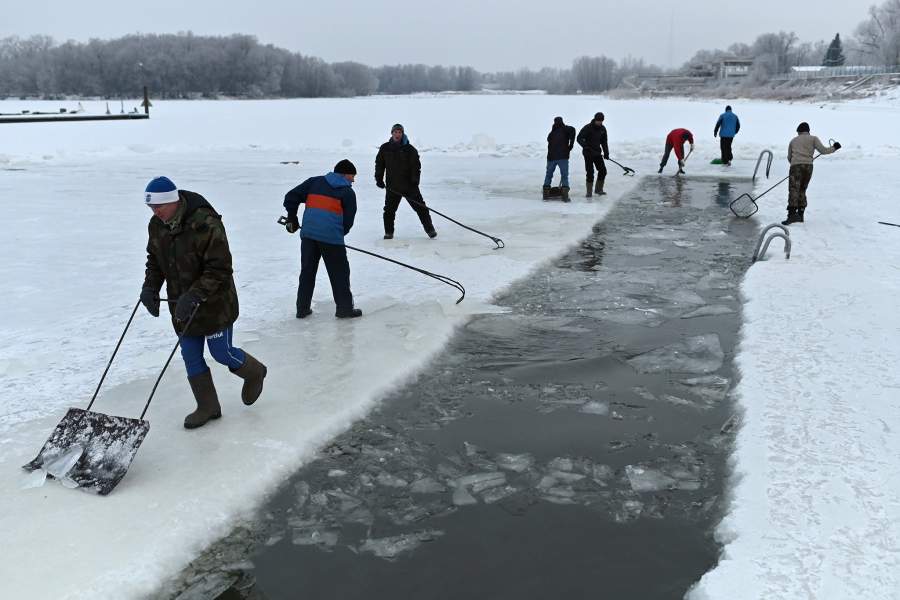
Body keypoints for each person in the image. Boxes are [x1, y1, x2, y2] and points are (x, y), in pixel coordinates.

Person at [140, 176, 267, 430]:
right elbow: (155, 260)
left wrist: (195, 295)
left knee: (221, 352)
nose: (155, 212)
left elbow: (220, 269)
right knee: (190, 355)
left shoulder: (205, 223)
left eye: (159, 207)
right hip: (182, 303)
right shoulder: (157, 225)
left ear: (173, 201)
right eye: (151, 208)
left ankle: (254, 372)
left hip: (214, 303)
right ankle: (208, 406)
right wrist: (150, 287)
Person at [283, 159, 362, 319]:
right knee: (339, 273)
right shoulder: (348, 193)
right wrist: (337, 234)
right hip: (331, 239)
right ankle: (344, 309)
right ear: (343, 174)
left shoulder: (315, 182)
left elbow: (291, 196)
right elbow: (348, 221)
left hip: (308, 235)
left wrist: (292, 217)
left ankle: (302, 309)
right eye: (352, 176)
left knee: (307, 271)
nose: (353, 180)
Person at [375, 124, 436, 240]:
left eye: (399, 132)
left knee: (421, 208)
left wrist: (415, 180)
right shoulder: (385, 148)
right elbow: (379, 164)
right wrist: (379, 178)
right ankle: (389, 233)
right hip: (392, 186)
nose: (397, 134)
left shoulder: (410, 149)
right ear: (391, 133)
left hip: (409, 186)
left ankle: (430, 230)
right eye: (395, 132)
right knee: (389, 211)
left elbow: (416, 166)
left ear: (402, 134)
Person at [782, 122, 840, 225]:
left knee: (794, 189)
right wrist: (834, 147)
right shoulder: (813, 139)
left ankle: (791, 216)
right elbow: (824, 151)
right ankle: (800, 214)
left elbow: (789, 157)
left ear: (798, 131)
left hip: (795, 167)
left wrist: (795, 164)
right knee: (802, 189)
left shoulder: (793, 141)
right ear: (808, 131)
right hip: (809, 166)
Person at [577, 112, 610, 197]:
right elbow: (579, 138)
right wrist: (585, 146)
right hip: (588, 153)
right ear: (595, 119)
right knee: (590, 172)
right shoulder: (588, 127)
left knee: (603, 171)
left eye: (601, 121)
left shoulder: (603, 129)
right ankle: (589, 192)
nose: (599, 122)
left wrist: (606, 153)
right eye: (598, 120)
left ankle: (598, 190)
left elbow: (604, 142)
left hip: (597, 153)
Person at [544, 116, 576, 201]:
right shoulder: (566, 129)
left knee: (548, 175)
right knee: (564, 176)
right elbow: (573, 130)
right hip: (563, 157)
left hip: (551, 157)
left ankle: (545, 194)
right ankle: (565, 195)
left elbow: (548, 139)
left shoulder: (552, 133)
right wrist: (571, 144)